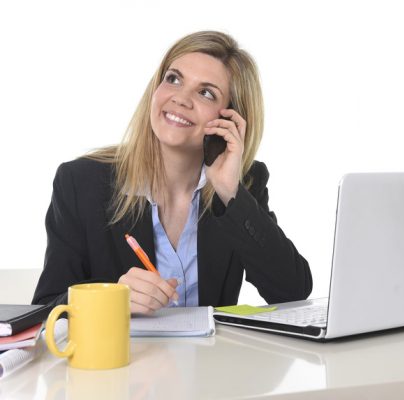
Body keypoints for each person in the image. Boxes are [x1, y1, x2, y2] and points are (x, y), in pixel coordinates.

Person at [32, 31, 312, 314]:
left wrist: (231, 194)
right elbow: (45, 310)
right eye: (173, 79)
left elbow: (292, 292)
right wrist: (110, 300)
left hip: (217, 359)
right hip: (125, 358)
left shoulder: (242, 184)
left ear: (229, 119)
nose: (181, 98)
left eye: (206, 93)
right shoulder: (81, 182)